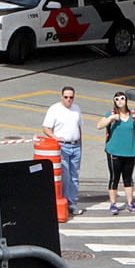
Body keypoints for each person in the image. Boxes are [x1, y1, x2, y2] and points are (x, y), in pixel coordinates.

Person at [41, 86, 83, 215]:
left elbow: (79, 128)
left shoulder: (76, 109)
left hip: (75, 146)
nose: (68, 100)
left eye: (71, 97)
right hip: (63, 146)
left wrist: (81, 145)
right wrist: (55, 138)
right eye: (66, 97)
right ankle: (64, 202)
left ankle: (72, 202)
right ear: (61, 97)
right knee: (65, 176)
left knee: (74, 176)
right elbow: (46, 128)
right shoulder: (54, 109)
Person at [100, 92, 135, 213]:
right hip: (114, 151)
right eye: (117, 99)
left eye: (122, 98)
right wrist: (111, 118)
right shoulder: (111, 114)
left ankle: (130, 203)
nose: (120, 101)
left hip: (130, 152)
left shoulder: (133, 115)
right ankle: (113, 203)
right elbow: (99, 125)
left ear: (126, 101)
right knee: (114, 177)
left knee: (128, 178)